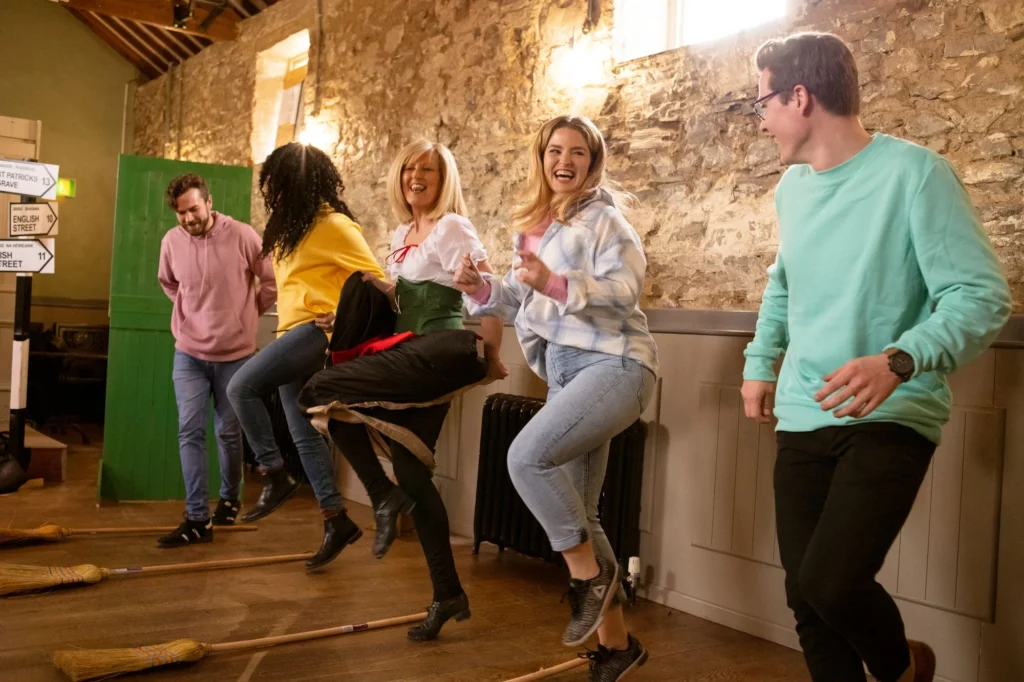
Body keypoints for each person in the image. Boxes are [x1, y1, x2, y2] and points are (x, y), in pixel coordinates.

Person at [740, 31, 1012, 682]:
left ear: (799, 97)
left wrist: (896, 360)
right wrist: (759, 363)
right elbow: (783, 284)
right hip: (805, 414)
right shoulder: (792, 192)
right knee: (805, 597)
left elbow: (981, 296)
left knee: (833, 583)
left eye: (763, 102)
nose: (761, 118)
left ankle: (898, 670)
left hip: (892, 411)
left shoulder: (916, 175)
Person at [455, 115, 658, 682]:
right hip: (567, 375)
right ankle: (617, 647)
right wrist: (478, 288)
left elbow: (624, 294)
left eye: (577, 153)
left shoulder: (608, 221)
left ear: (592, 164)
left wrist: (555, 284)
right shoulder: (535, 227)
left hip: (616, 365)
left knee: (524, 456)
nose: (564, 161)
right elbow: (523, 302)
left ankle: (586, 579)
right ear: (541, 158)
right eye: (554, 151)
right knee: (584, 515)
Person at [314, 139, 506, 641]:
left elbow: (488, 295)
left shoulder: (452, 227)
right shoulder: (402, 233)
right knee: (413, 476)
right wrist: (345, 314)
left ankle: (380, 497)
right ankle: (448, 593)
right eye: (408, 170)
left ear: (444, 181)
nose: (416, 177)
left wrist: (493, 355)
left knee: (319, 388)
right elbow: (395, 301)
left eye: (428, 170)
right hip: (403, 353)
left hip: (438, 350)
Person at [226, 143, 385, 569]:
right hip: (290, 331)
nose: (272, 193)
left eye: (279, 184)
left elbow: (379, 281)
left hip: (318, 335)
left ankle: (275, 473)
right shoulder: (287, 229)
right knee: (303, 432)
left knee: (240, 385)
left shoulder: (334, 225)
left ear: (299, 183)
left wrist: (342, 314)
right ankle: (336, 519)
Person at [156, 173, 276, 547]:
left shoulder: (242, 235)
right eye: (181, 213)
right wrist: (189, 314)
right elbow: (169, 282)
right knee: (189, 431)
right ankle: (196, 519)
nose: (189, 218)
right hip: (189, 354)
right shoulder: (171, 241)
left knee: (227, 432)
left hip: (236, 357)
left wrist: (247, 315)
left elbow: (270, 279)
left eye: (194, 209)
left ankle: (229, 498)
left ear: (208, 202)